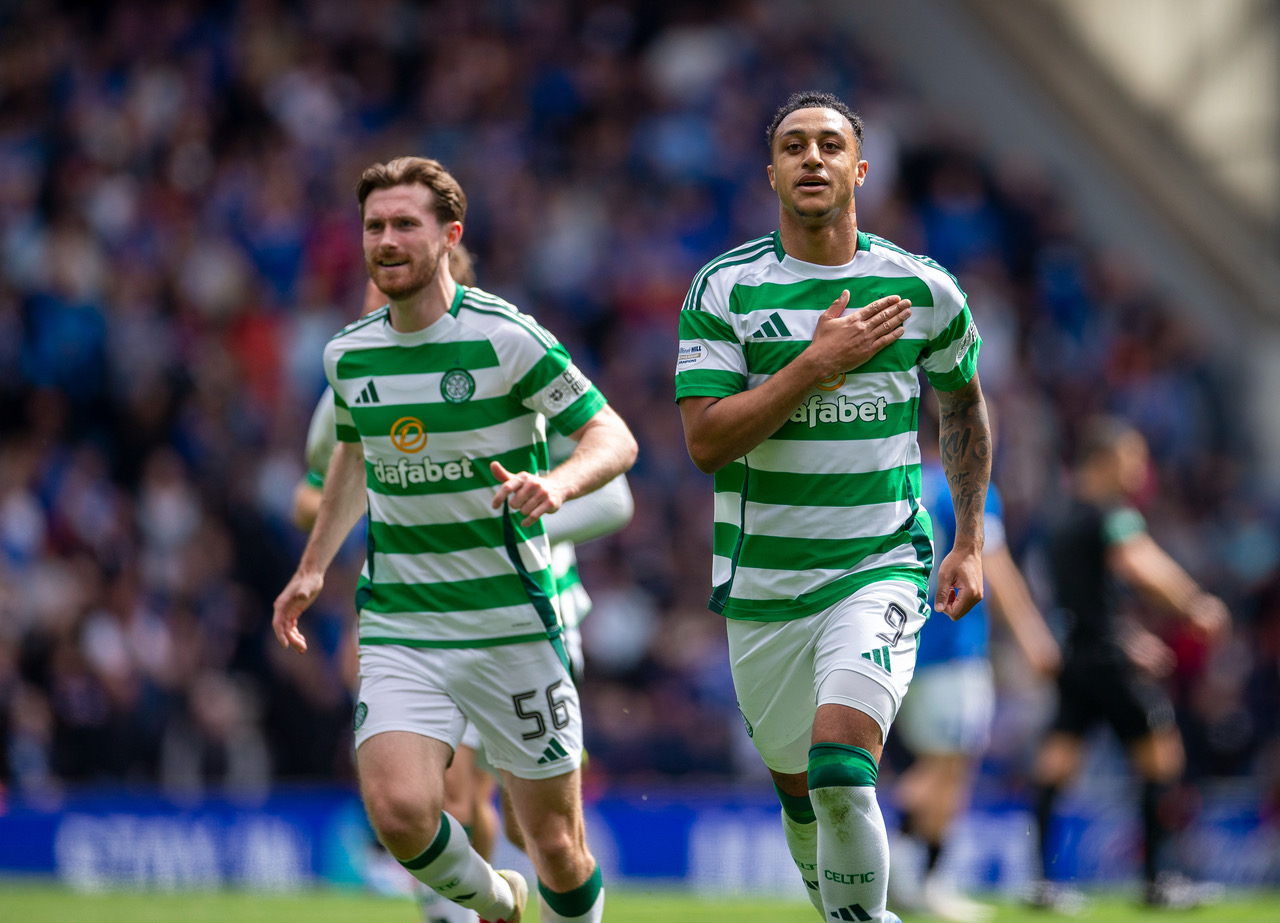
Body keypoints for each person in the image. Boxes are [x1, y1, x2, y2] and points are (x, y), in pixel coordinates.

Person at [273, 156, 637, 923]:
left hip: (511, 622)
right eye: (374, 225)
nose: (386, 240)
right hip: (403, 621)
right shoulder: (349, 354)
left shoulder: (508, 338)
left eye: (405, 224)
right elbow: (352, 458)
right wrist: (313, 567)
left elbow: (615, 438)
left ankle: (529, 892)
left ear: (450, 235)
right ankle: (497, 902)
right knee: (400, 809)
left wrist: (558, 484)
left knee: (555, 843)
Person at [675, 91, 991, 923]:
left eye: (828, 145)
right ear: (770, 173)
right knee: (803, 797)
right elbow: (706, 442)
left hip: (877, 565)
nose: (811, 157)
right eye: (793, 146)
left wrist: (969, 539)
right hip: (762, 586)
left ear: (860, 169)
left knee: (843, 769)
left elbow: (963, 402)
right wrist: (814, 365)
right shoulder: (725, 289)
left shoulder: (922, 288)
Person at [1029, 416, 1228, 912]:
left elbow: (1084, 601)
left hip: (1076, 654)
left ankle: (1041, 883)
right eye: (1133, 457)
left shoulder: (1060, 516)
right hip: (1107, 659)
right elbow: (1141, 564)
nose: (1141, 469)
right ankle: (1158, 880)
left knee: (1057, 761)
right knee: (1162, 752)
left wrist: (1127, 633)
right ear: (1105, 460)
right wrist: (1195, 604)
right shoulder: (1111, 514)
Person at [890, 430, 1060, 922]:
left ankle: (916, 878)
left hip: (898, 644)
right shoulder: (966, 487)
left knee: (935, 764)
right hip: (952, 649)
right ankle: (907, 871)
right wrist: (1032, 636)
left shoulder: (901, 479)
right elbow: (995, 566)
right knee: (947, 768)